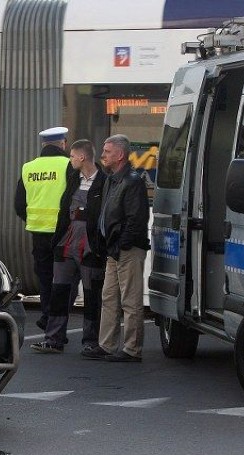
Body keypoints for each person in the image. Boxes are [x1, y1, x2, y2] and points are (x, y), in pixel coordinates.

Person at [31, 139, 106, 354]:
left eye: (72, 156)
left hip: (90, 245)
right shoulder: (72, 177)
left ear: (82, 157)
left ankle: (91, 341)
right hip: (66, 241)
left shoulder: (104, 181)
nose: (69, 159)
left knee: (92, 295)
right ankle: (54, 339)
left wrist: (101, 245)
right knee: (59, 291)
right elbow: (65, 209)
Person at [82, 134, 150, 363]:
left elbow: (136, 219)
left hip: (127, 250)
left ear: (120, 155)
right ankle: (107, 345)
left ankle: (132, 349)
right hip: (114, 249)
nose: (103, 155)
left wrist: (121, 245)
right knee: (109, 297)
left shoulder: (132, 181)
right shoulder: (112, 179)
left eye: (107, 151)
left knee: (130, 300)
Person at [15, 126, 71, 331]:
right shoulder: (68, 165)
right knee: (64, 278)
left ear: (44, 145)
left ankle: (47, 314)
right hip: (64, 232)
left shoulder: (29, 167)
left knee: (46, 277)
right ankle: (56, 320)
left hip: (38, 233)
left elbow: (19, 204)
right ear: (63, 143)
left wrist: (34, 220)